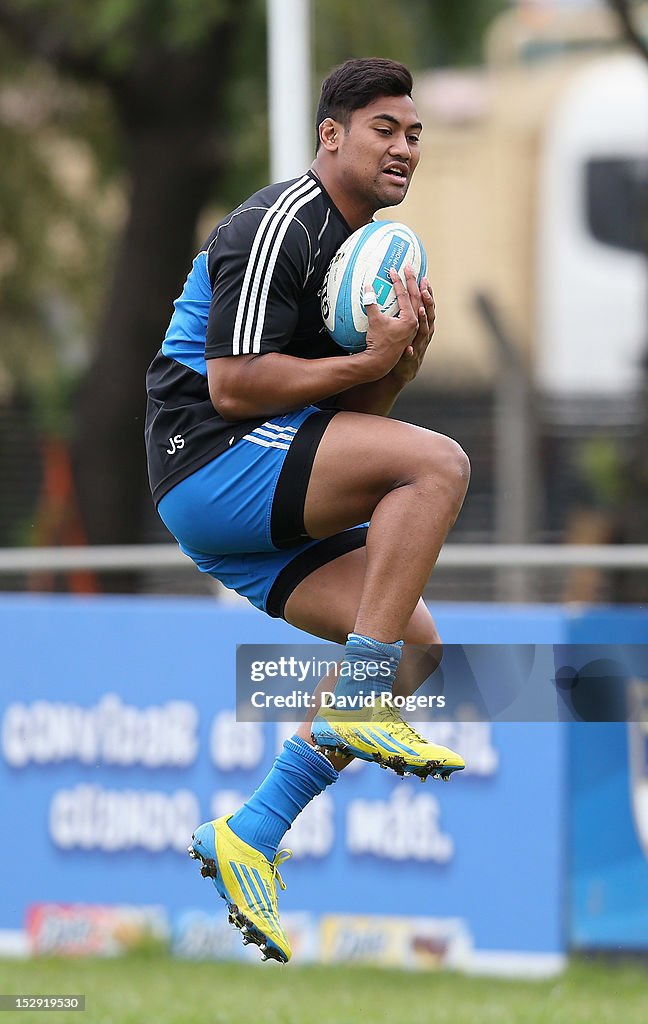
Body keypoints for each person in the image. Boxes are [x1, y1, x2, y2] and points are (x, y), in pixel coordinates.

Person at [145, 57, 470, 964]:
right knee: (439, 466)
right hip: (207, 461)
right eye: (384, 129)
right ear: (331, 135)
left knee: (414, 643)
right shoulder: (282, 222)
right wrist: (370, 366)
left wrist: (396, 367)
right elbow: (235, 386)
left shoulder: (359, 248)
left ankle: (251, 831)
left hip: (253, 484)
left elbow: (343, 433)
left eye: (413, 134)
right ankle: (361, 697)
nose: (405, 147)